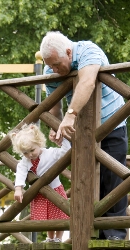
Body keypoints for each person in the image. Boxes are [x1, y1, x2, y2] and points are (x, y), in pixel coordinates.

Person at [40, 31, 128, 240]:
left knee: (113, 179)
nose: (53, 69)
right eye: (50, 65)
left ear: (69, 52)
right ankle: (90, 235)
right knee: (84, 181)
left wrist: (70, 115)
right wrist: (56, 125)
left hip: (112, 124)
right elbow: (54, 104)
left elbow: (87, 82)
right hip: (83, 134)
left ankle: (114, 235)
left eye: (56, 64)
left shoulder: (89, 51)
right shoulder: (50, 68)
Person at [10, 123, 70, 243]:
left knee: (58, 214)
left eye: (32, 150)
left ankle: (59, 238)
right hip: (39, 193)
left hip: (55, 190)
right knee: (47, 217)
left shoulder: (50, 153)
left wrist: (63, 140)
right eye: (25, 153)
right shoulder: (26, 160)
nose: (30, 155)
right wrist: (18, 188)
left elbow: (66, 152)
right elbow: (21, 171)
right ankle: (50, 238)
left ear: (39, 143)